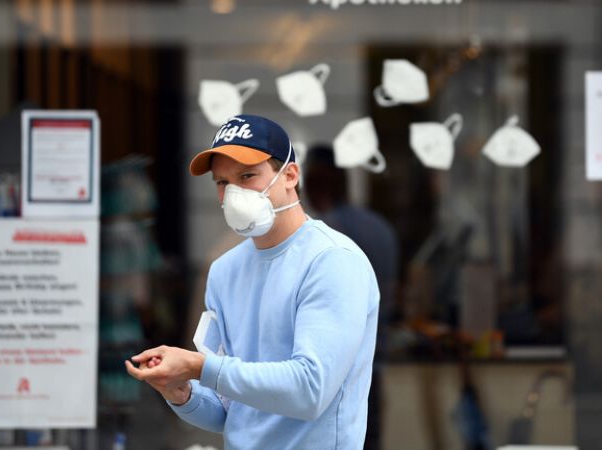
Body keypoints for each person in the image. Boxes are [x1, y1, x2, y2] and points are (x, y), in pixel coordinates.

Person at [125, 114, 380, 450]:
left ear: (290, 175)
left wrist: (200, 367)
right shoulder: (224, 271)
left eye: (247, 176)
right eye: (222, 182)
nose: (233, 193)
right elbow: (228, 411)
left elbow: (310, 390)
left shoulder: (332, 260)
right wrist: (181, 391)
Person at [303, 145, 399, 450]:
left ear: (315, 184)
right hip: (372, 369)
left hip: (330, 379)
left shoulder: (320, 235)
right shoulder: (381, 229)